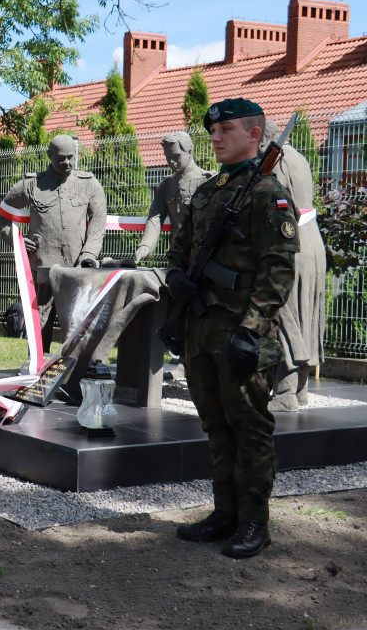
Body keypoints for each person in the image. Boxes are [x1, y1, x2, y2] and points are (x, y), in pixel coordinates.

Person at [165, 98, 299, 559]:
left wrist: (252, 327)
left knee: (249, 428)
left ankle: (254, 524)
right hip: (202, 330)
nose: (216, 137)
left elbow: (277, 270)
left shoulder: (268, 194)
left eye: (226, 130)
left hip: (242, 334)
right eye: (213, 131)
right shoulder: (209, 191)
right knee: (216, 427)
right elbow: (181, 246)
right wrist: (177, 277)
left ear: (255, 134)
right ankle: (225, 514)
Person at [0, 134, 108, 350]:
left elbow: (99, 222)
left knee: (76, 322)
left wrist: (89, 254)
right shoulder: (32, 184)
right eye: (61, 158)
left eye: (70, 157)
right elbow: (1, 216)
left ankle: (72, 368)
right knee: (40, 321)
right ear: (49, 156)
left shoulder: (89, 185)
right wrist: (16, 240)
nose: (67, 163)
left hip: (76, 268)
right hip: (43, 266)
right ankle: (37, 368)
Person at [260, 120, 326, 412]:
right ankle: (301, 391)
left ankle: (285, 392)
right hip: (313, 242)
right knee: (306, 315)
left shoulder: (276, 163)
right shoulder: (300, 158)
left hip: (290, 246)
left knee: (284, 315)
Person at [134, 132, 214, 262]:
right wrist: (145, 246)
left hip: (203, 256)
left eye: (176, 156)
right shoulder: (167, 184)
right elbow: (155, 217)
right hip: (177, 256)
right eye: (168, 157)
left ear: (189, 151)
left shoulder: (207, 181)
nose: (171, 162)